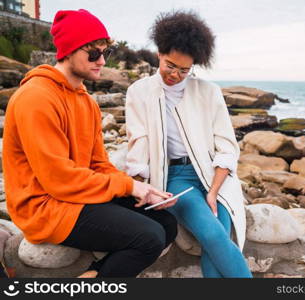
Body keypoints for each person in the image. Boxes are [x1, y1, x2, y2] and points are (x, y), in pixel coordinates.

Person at [2, 9, 178, 278]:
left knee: (166, 223)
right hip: (45, 206)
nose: (101, 61)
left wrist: (140, 190)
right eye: (93, 53)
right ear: (69, 51)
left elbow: (97, 164)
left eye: (104, 53)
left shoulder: (86, 101)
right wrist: (128, 185)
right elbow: (58, 178)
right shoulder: (36, 98)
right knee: (149, 237)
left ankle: (93, 277)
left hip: (74, 196)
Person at [126, 10, 252, 278]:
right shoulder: (139, 92)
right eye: (170, 65)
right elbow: (138, 148)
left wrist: (214, 191)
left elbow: (227, 147)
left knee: (214, 241)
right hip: (176, 181)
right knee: (213, 235)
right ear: (159, 53)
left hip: (215, 176)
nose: (175, 74)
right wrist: (144, 190)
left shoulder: (209, 92)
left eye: (184, 70)